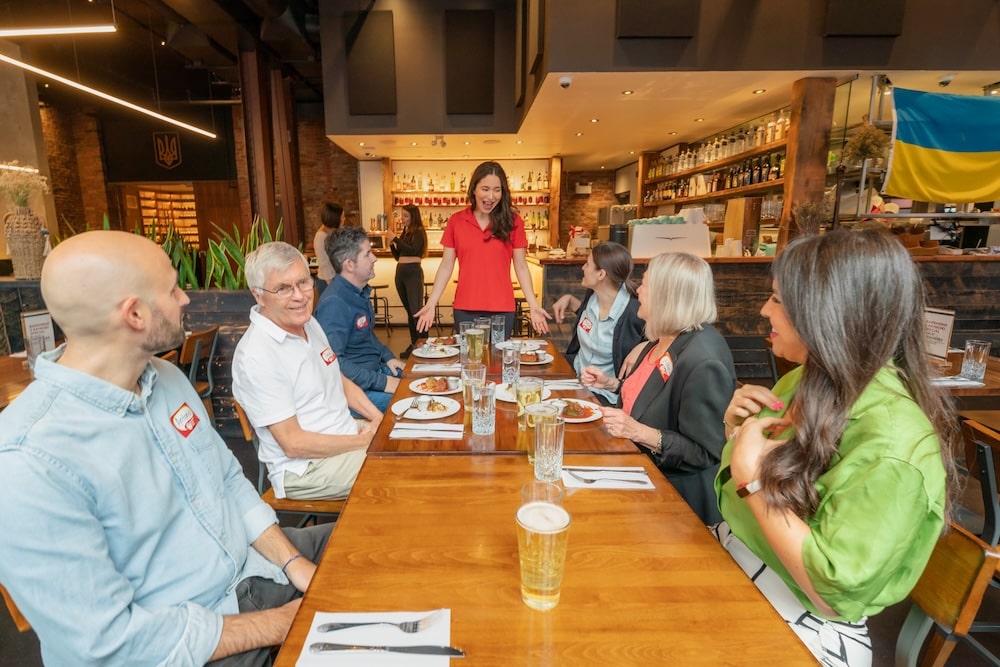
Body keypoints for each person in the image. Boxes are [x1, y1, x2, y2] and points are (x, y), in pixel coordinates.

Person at [0, 230, 330, 666]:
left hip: (253, 571)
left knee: (374, 540)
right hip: (195, 640)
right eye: (173, 289)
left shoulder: (167, 379)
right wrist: (282, 622)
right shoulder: (29, 460)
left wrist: (293, 564)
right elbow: (109, 644)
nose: (186, 300)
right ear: (134, 313)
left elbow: (229, 481)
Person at [715, 230, 958, 667]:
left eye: (778, 300)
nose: (763, 310)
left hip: (801, 624)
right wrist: (735, 431)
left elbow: (831, 592)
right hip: (735, 566)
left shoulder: (895, 442)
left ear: (827, 314)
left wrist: (750, 478)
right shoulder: (805, 381)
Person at [581, 252, 736, 524]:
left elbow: (705, 453)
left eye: (645, 284)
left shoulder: (703, 360)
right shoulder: (664, 337)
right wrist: (612, 384)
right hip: (634, 469)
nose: (637, 289)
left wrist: (638, 431)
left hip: (673, 504)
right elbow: (650, 400)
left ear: (667, 296)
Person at [233, 241, 379, 501]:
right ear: (258, 294)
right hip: (306, 468)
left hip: (344, 435)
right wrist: (362, 441)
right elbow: (293, 444)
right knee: (401, 471)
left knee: (413, 441)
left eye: (303, 282)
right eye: (283, 289)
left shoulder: (308, 322)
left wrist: (378, 419)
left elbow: (338, 379)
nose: (299, 296)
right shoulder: (258, 355)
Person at [415, 161, 550, 338]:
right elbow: (446, 265)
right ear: (474, 189)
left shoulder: (514, 222)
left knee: (498, 362)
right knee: (470, 362)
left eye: (497, 190)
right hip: (465, 307)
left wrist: (533, 305)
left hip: (502, 308)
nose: (491, 196)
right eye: (485, 189)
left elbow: (521, 266)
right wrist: (432, 303)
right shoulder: (456, 221)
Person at [313, 226, 405, 414]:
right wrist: (383, 382)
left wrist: (388, 357)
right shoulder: (335, 304)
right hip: (354, 391)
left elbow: (367, 336)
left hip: (374, 373)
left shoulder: (357, 292)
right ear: (349, 264)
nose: (375, 258)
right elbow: (335, 364)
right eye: (368, 254)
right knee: (414, 402)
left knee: (424, 380)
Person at [551, 241, 645, 405]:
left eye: (587, 264)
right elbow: (592, 323)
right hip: (575, 375)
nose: (582, 268)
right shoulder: (593, 295)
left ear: (601, 274)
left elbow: (668, 336)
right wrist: (570, 300)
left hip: (604, 394)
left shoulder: (634, 310)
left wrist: (643, 346)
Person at [388, 203, 428, 358]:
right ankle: (414, 343)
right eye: (401, 215)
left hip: (413, 273)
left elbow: (413, 250)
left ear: (413, 216)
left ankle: (423, 342)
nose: (402, 219)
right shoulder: (405, 232)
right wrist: (393, 245)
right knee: (409, 312)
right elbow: (399, 256)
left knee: (416, 311)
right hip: (401, 272)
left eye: (405, 216)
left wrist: (396, 239)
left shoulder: (419, 232)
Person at [313, 202, 343, 293]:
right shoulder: (321, 237)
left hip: (336, 279)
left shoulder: (332, 232)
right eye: (342, 217)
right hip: (328, 282)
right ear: (335, 219)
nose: (344, 219)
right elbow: (324, 265)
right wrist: (333, 288)